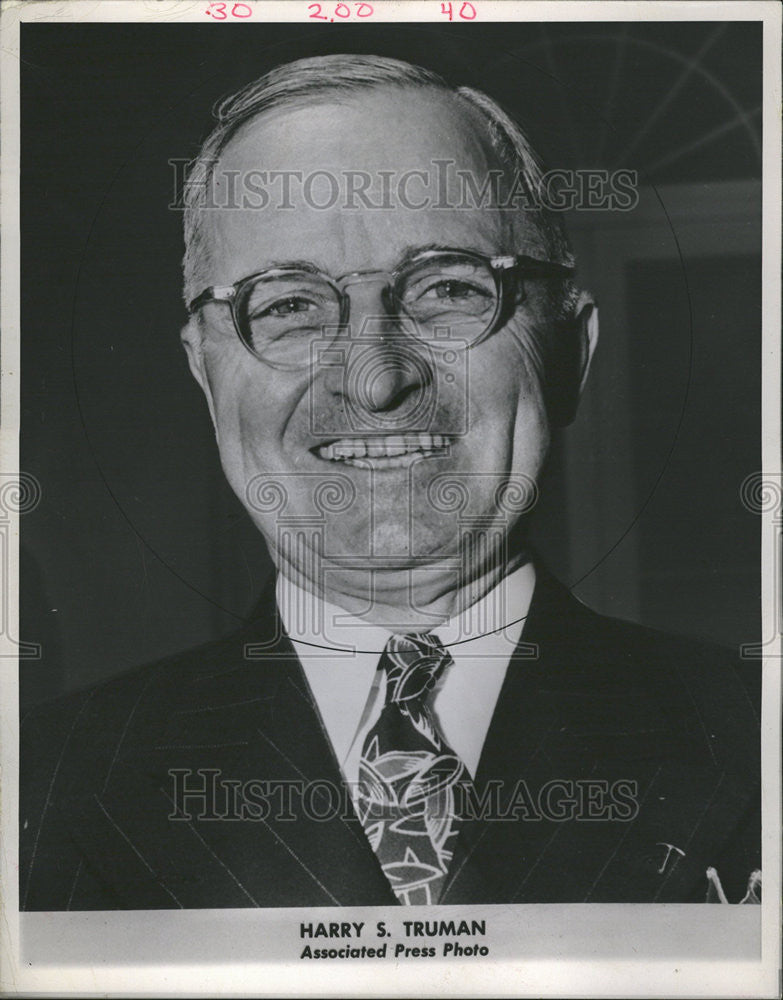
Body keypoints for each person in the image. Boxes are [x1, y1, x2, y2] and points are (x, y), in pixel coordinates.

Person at [20, 54, 760, 909]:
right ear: (205, 373)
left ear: (570, 353)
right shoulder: (38, 783)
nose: (374, 380)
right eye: (288, 304)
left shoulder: (755, 733)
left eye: (447, 288)